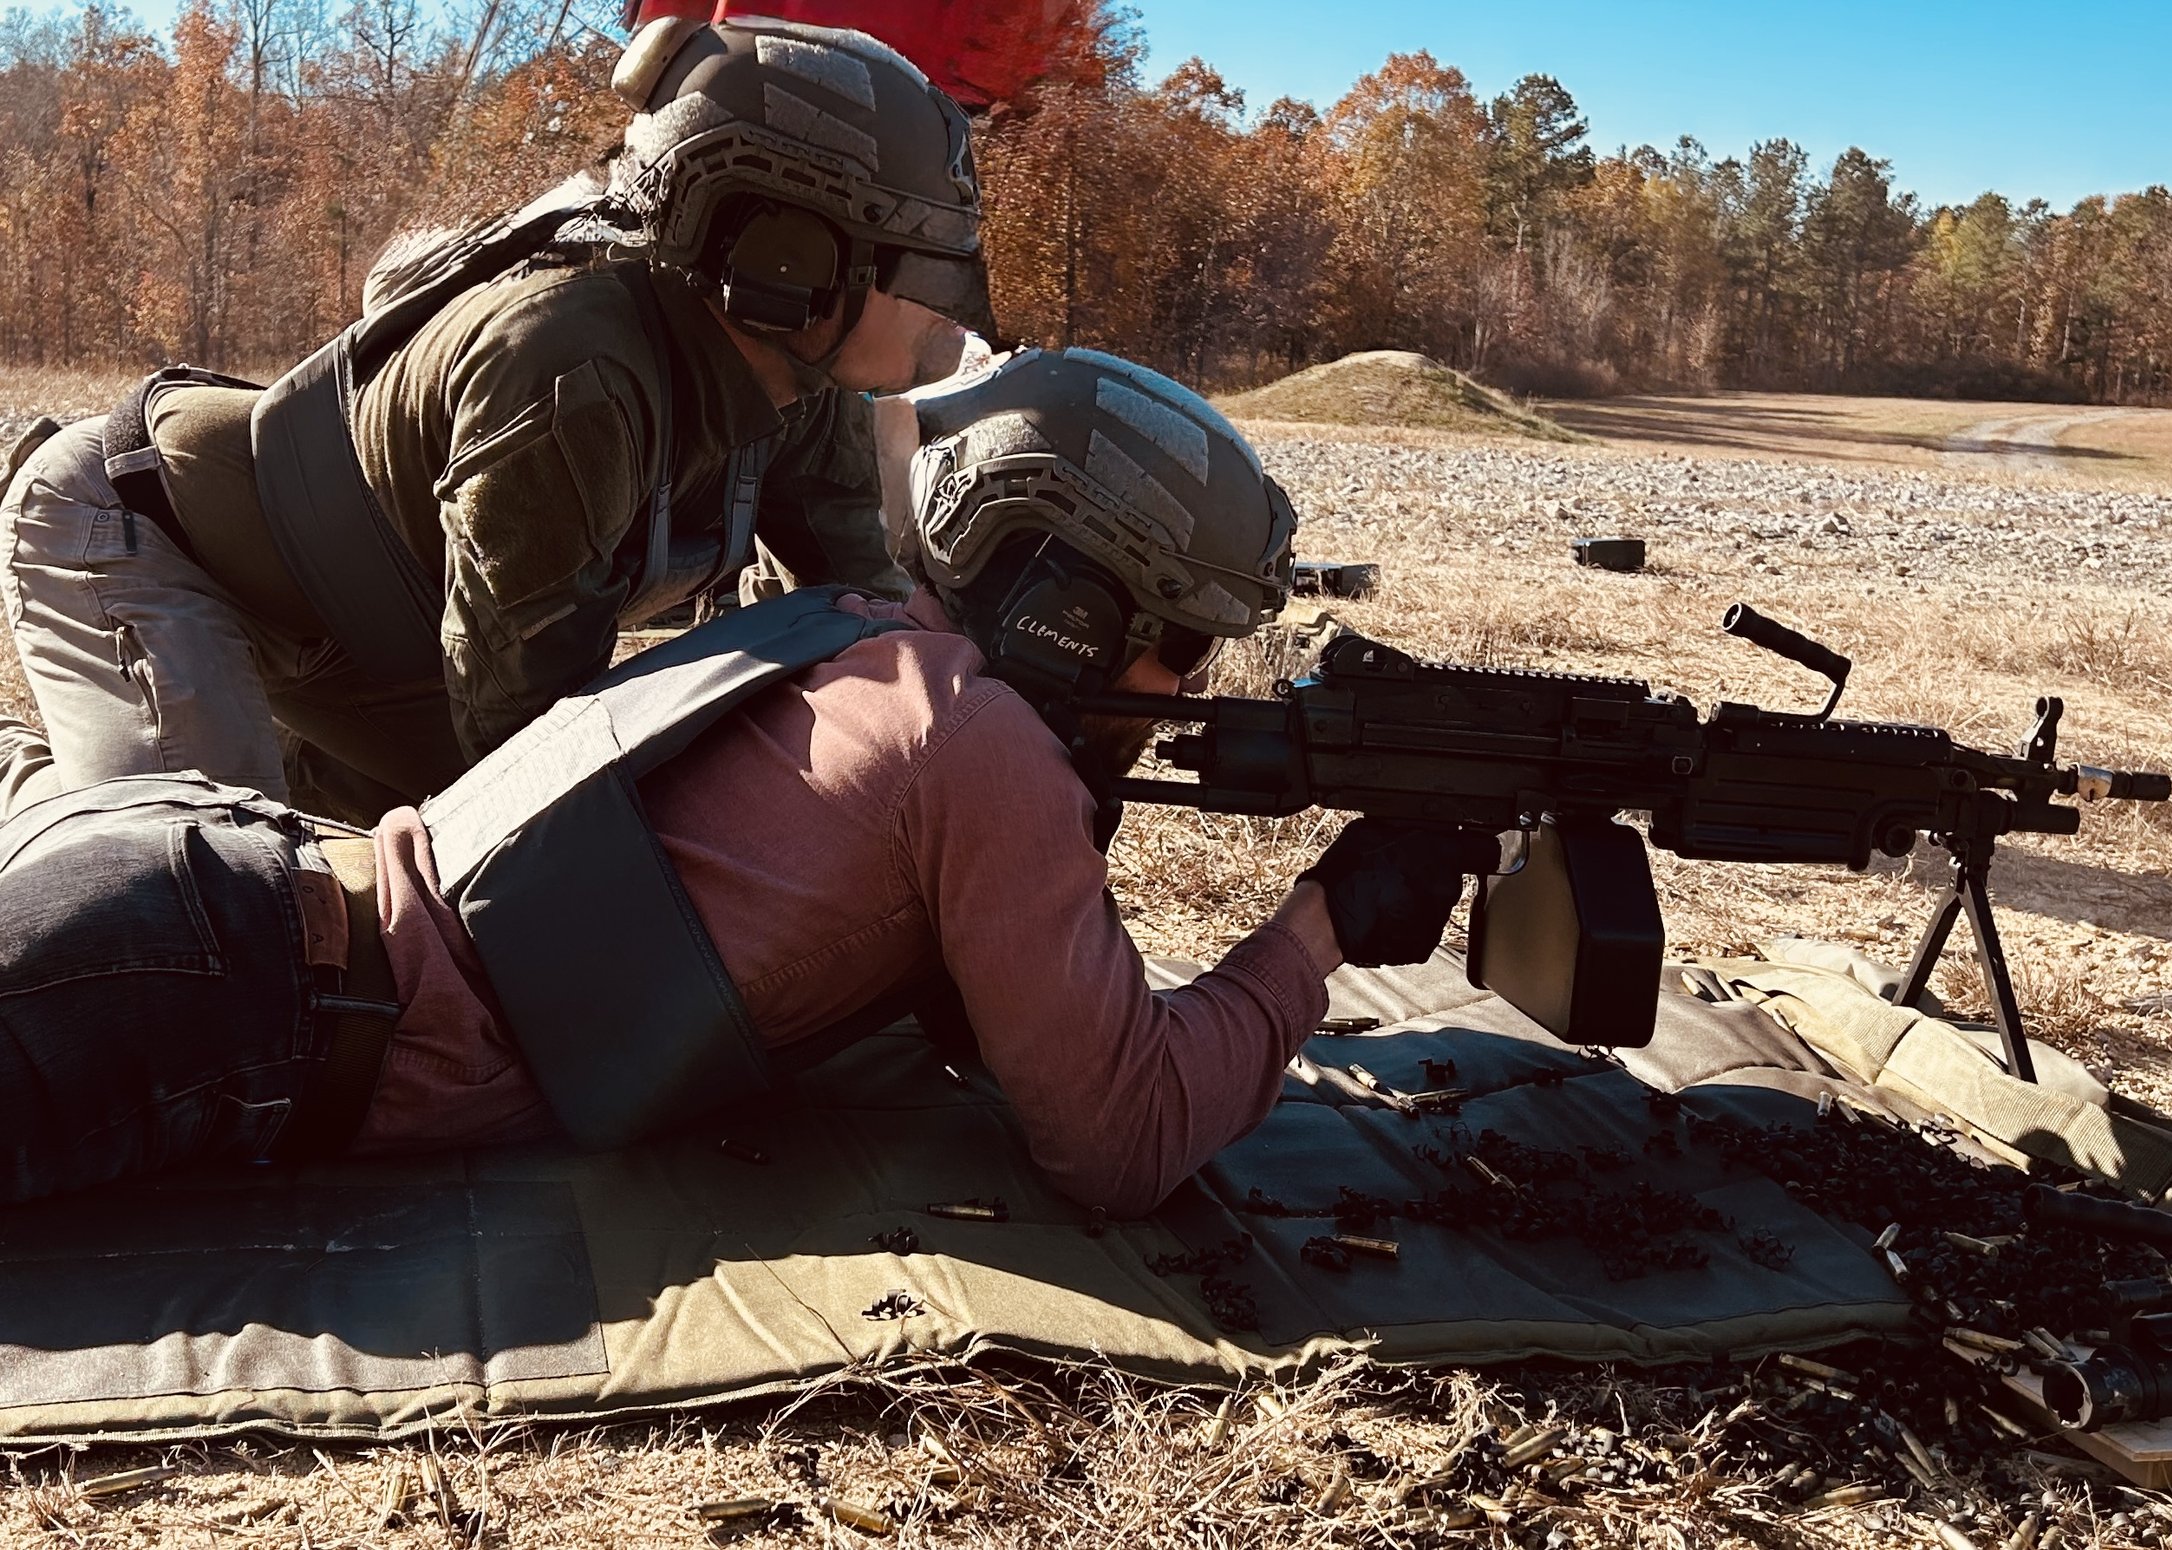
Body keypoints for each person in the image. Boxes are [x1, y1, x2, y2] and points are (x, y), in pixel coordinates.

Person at [0, 351, 1494, 1213]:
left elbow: (1002, 1019)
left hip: (210, 895)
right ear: (1070, 611)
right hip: (220, 979)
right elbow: (1122, 1136)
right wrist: (1318, 933)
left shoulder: (874, 641)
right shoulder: (981, 748)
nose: (1188, 687)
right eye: (1179, 640)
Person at [0, 16, 990, 826]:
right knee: (197, 892)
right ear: (787, 261)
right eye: (919, 262)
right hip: (138, 535)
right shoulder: (574, 371)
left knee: (344, 884)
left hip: (361, 639)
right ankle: (35, 801)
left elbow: (868, 618)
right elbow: (525, 751)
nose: (951, 306)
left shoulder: (800, 383)